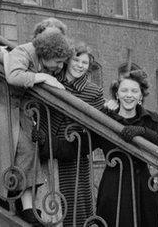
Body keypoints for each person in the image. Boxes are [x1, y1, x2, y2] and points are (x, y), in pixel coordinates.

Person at [0, 26, 71, 226]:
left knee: (29, 150)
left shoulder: (42, 61)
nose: (60, 67)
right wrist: (42, 77)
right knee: (5, 151)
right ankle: (1, 198)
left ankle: (28, 209)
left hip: (18, 109)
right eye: (58, 62)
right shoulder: (24, 51)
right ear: (47, 54)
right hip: (0, 105)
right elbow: (13, 76)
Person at [95, 69, 158, 227]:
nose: (129, 95)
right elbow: (82, 143)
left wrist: (144, 132)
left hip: (144, 187)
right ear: (117, 94)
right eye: (124, 90)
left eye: (134, 91)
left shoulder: (149, 119)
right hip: (114, 187)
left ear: (140, 96)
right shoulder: (106, 117)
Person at [52, 42, 104, 227]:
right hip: (45, 149)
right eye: (76, 59)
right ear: (68, 60)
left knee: (74, 203)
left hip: (73, 154)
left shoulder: (93, 91)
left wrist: (77, 145)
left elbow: (99, 127)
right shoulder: (51, 79)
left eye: (85, 62)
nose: (79, 65)